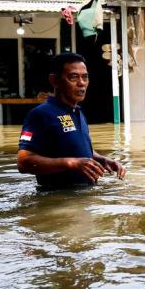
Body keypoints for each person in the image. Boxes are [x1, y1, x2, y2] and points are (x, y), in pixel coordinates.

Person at [17, 52, 126, 187]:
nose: (81, 83)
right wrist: (70, 163)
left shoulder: (79, 113)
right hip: (57, 200)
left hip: (84, 199)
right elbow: (23, 162)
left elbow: (76, 149)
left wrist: (101, 159)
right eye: (73, 77)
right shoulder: (40, 114)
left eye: (85, 77)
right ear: (54, 80)